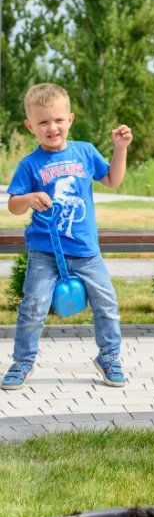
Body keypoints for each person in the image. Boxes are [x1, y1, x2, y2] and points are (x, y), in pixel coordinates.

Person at [1, 83, 132, 391]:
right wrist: (30, 198)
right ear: (30, 126)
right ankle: (22, 362)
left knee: (107, 305)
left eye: (58, 120)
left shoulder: (84, 152)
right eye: (43, 122)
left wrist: (120, 148)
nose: (52, 127)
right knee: (33, 308)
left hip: (86, 251)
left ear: (70, 120)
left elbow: (112, 180)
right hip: (45, 252)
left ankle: (109, 358)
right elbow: (13, 205)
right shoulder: (30, 164)